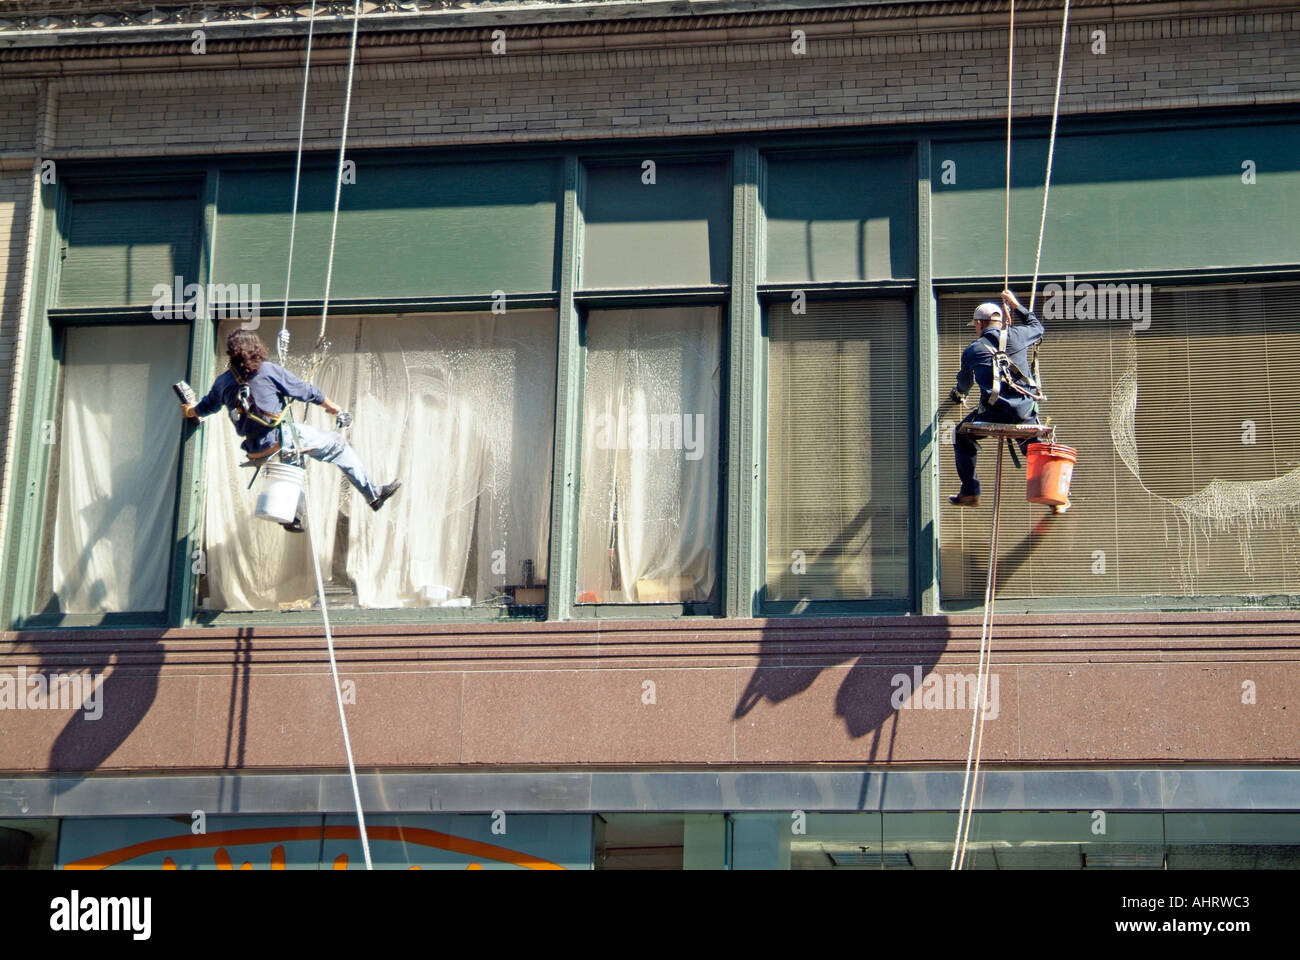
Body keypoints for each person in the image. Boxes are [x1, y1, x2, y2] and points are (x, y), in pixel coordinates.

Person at [182, 330, 400, 531]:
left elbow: (206, 406)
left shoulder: (222, 382)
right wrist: (334, 408)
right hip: (281, 438)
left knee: (294, 462)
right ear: (256, 348)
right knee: (338, 445)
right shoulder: (267, 371)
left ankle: (290, 514)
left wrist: (191, 412)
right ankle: (373, 495)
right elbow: (306, 391)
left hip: (256, 448)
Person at [947, 288, 1044, 507]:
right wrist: (1016, 304)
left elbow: (965, 383)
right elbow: (1038, 328)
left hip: (993, 413)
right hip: (1023, 412)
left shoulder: (972, 350)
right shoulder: (1018, 335)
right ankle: (1054, 496)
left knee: (960, 436)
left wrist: (959, 394)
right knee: (1032, 447)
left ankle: (970, 492)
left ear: (979, 324)